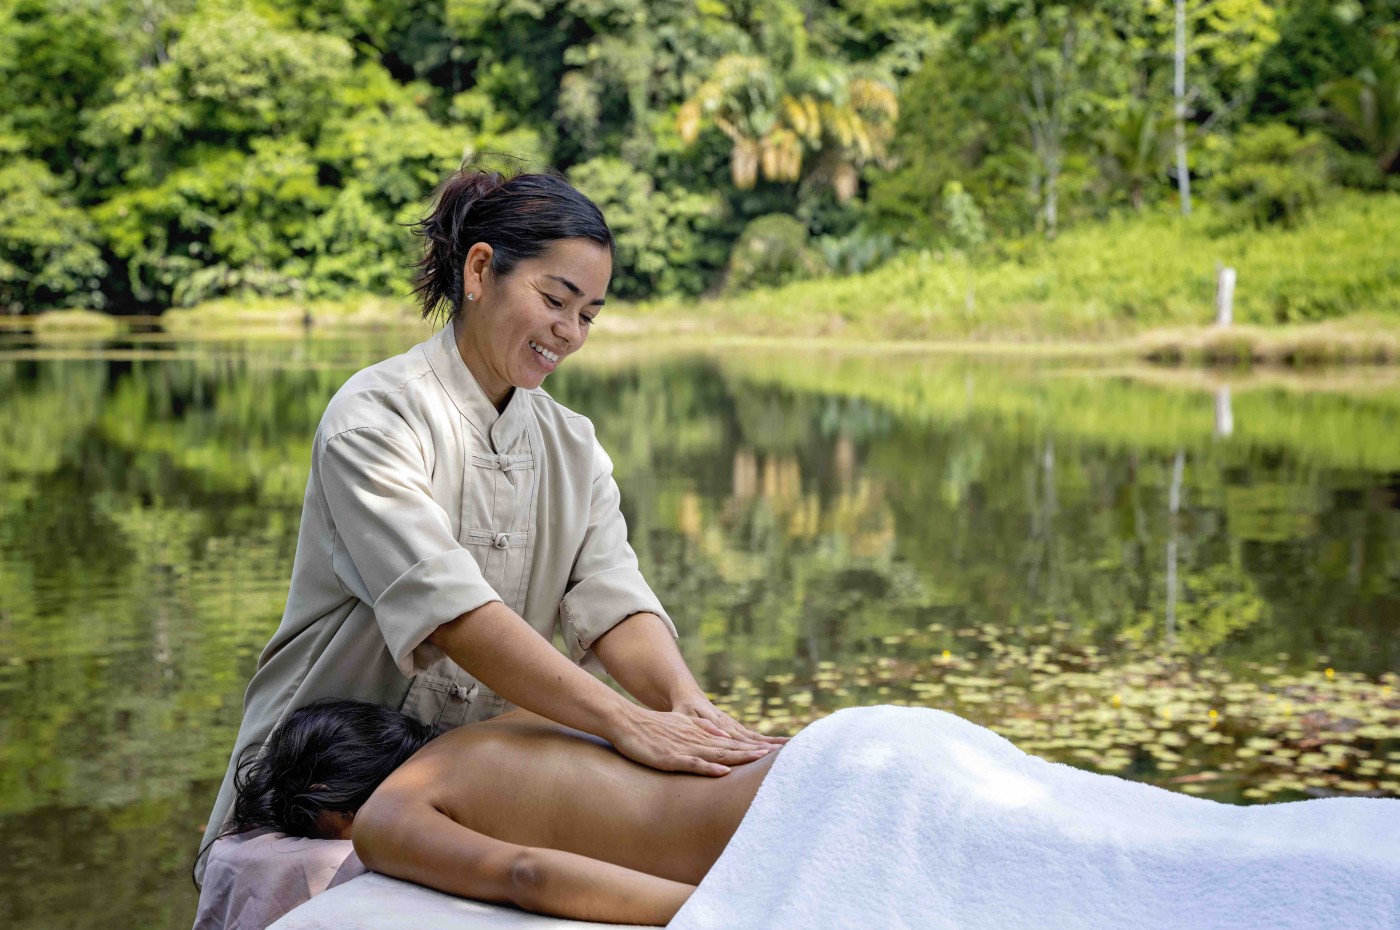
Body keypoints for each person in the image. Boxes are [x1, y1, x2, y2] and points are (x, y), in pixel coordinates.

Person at [196, 165, 784, 883]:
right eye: (555, 300)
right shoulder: (375, 418)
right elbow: (453, 615)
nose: (568, 333)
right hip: (323, 791)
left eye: (589, 315)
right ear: (480, 271)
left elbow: (613, 598)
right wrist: (624, 722)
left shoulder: (574, 443)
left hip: (468, 798)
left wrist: (684, 704)